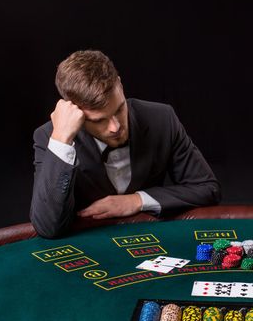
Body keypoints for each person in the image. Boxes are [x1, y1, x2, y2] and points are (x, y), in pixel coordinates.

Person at [31, 50, 221, 238]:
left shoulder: (161, 118)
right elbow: (48, 227)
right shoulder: (50, 137)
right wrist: (62, 141)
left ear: (120, 85)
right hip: (90, 250)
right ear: (74, 113)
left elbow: (207, 188)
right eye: (99, 120)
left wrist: (136, 200)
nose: (115, 127)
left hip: (154, 240)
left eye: (120, 108)